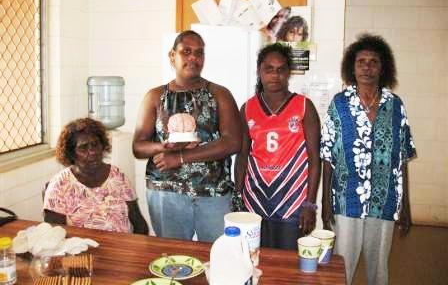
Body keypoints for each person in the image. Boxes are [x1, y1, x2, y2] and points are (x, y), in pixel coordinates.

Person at [320, 33, 416, 285]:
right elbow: (327, 155)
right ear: (352, 67)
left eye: (373, 61)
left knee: (378, 267)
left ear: (382, 67)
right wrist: (326, 201)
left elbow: (402, 158)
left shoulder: (395, 105)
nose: (367, 67)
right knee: (343, 264)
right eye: (361, 61)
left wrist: (405, 204)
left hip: (384, 200)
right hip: (347, 198)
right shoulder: (339, 104)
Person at [132, 30, 241, 243]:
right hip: (166, 192)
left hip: (213, 192)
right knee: (172, 258)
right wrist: (164, 148)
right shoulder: (155, 96)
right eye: (186, 52)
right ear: (172, 56)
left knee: (217, 254)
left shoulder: (220, 94)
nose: (193, 58)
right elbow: (138, 147)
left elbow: (233, 142)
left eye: (199, 53)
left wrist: (180, 158)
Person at [234, 43, 321, 250]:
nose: (275, 75)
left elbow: (315, 160)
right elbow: (242, 156)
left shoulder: (303, 106)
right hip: (254, 200)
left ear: (288, 73)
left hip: (292, 202)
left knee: (288, 264)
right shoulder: (247, 108)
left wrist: (309, 205)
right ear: (259, 71)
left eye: (281, 69)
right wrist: (238, 195)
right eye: (269, 69)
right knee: (256, 258)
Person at [43, 118, 148, 234]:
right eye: (83, 148)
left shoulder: (117, 175)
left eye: (95, 144)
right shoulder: (60, 185)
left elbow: (138, 222)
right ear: (71, 153)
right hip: (84, 250)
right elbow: (54, 234)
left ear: (102, 146)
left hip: (123, 247)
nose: (92, 152)